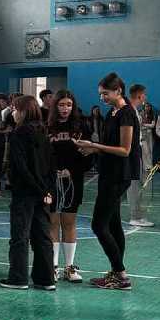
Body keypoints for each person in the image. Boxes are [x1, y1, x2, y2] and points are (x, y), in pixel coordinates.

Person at [74, 72, 139, 290]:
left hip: (118, 175)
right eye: (100, 94)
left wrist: (95, 146)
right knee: (113, 223)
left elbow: (124, 150)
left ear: (118, 91)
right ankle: (116, 272)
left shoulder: (126, 114)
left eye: (105, 93)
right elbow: (110, 145)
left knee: (98, 225)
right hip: (108, 172)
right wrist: (93, 150)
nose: (102, 98)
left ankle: (121, 274)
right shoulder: (112, 112)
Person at [0, 95, 56, 291]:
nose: (13, 113)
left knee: (20, 235)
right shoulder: (43, 132)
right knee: (42, 236)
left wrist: (39, 189)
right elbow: (51, 166)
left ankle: (18, 278)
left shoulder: (18, 134)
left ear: (23, 111)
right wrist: (47, 190)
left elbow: (21, 167)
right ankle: (46, 279)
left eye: (15, 109)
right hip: (42, 192)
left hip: (25, 192)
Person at [46, 90, 91, 283]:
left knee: (69, 222)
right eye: (62, 105)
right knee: (53, 222)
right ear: (55, 106)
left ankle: (69, 267)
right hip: (52, 181)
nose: (65, 108)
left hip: (73, 181)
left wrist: (71, 171)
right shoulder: (47, 127)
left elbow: (88, 154)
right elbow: (42, 155)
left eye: (69, 105)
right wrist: (52, 171)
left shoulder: (81, 126)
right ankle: (53, 266)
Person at [126, 83, 154, 228]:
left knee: (140, 184)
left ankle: (138, 215)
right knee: (134, 186)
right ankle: (134, 216)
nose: (146, 97)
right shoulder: (129, 111)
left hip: (138, 151)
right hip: (133, 153)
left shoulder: (135, 111)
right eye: (145, 94)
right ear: (140, 95)